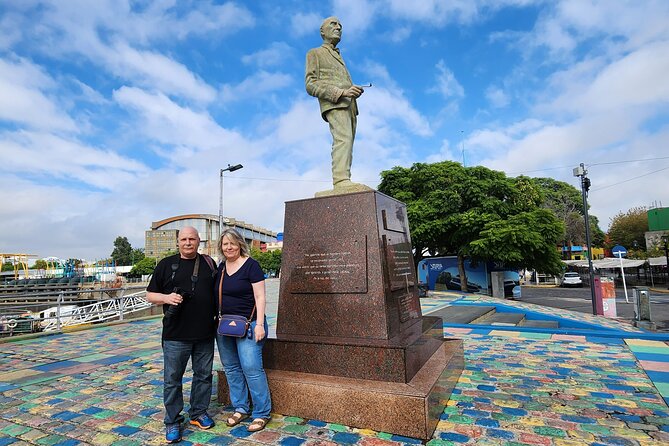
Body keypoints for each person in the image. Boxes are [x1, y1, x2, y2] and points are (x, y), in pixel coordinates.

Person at [146, 226, 217, 443]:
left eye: (192, 239)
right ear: (178, 242)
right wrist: (167, 299)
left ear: (199, 241)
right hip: (175, 334)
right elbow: (149, 295)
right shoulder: (166, 264)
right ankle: (172, 421)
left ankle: (198, 413)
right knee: (172, 380)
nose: (188, 243)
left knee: (203, 375)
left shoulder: (208, 263)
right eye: (184, 239)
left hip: (205, 333)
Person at [215, 228, 271, 432]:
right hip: (224, 326)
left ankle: (261, 412)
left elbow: (261, 297)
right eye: (225, 244)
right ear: (221, 247)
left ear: (240, 244)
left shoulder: (251, 266)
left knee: (252, 368)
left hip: (249, 325)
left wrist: (259, 324)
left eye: (232, 243)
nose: (229, 247)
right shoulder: (221, 268)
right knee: (231, 368)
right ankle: (241, 407)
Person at [305, 16, 369, 193]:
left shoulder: (339, 55)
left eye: (340, 25)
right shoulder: (315, 53)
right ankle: (341, 180)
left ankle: (344, 178)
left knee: (348, 142)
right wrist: (341, 92)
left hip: (350, 105)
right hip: (335, 103)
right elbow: (310, 84)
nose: (338, 27)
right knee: (343, 140)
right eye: (333, 24)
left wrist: (352, 90)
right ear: (322, 31)